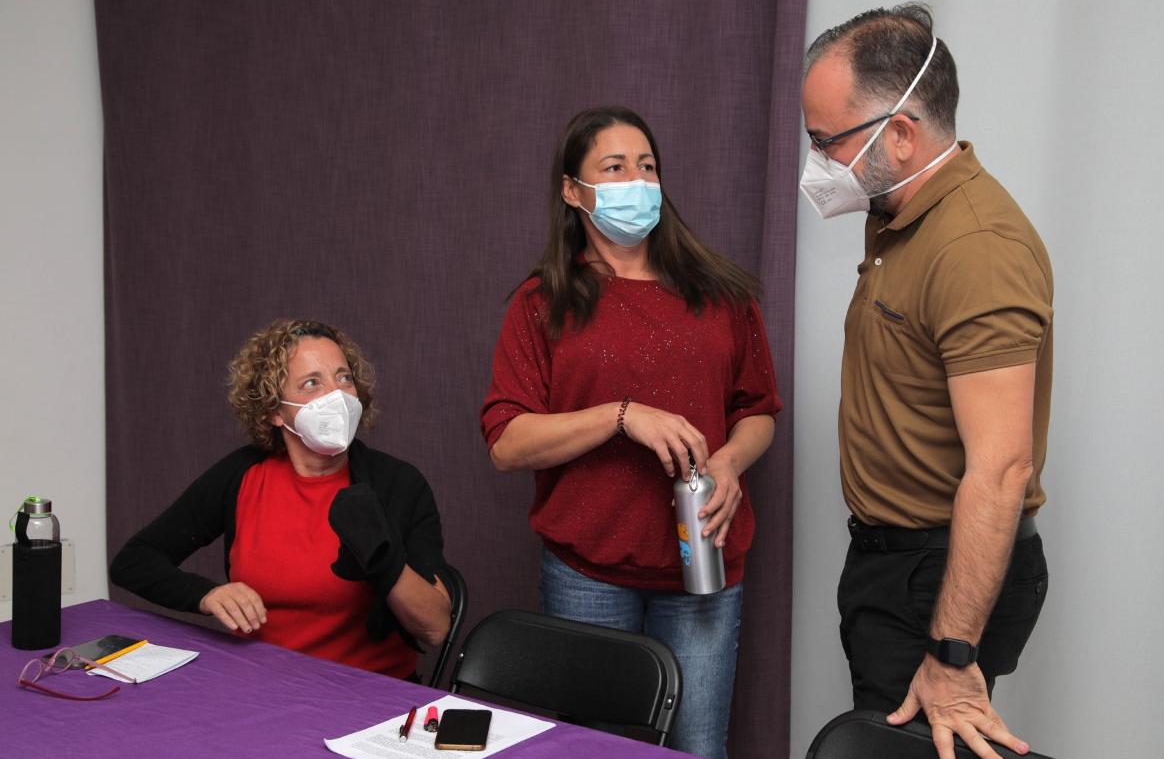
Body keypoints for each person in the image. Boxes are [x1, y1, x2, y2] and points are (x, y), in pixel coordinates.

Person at [480, 106, 781, 759]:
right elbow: (506, 442)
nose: (635, 182)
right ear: (572, 190)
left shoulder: (723, 295)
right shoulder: (542, 303)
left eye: (646, 167)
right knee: (597, 751)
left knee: (697, 747)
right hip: (587, 572)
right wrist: (622, 415)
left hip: (705, 559)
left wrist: (730, 462)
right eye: (613, 168)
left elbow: (759, 409)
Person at [800, 4, 1052, 759]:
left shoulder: (974, 246)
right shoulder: (900, 209)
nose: (817, 163)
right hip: (895, 565)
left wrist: (952, 656)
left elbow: (1002, 468)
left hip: (938, 577)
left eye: (826, 142)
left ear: (900, 136)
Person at [110, 319, 451, 679]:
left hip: (366, 695)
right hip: (262, 686)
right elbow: (133, 561)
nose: (337, 395)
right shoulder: (242, 476)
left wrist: (385, 560)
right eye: (312, 383)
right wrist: (206, 594)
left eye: (344, 378)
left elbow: (434, 627)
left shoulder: (397, 484)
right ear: (274, 411)